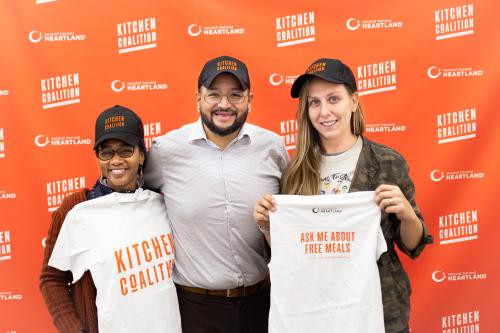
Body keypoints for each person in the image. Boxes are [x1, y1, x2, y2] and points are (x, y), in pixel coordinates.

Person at [253, 58, 433, 333]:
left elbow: (413, 244)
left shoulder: (387, 162)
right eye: (314, 102)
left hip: (380, 311)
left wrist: (407, 213)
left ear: (353, 101)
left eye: (333, 98)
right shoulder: (295, 171)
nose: (324, 111)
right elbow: (289, 251)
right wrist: (268, 226)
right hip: (317, 312)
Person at [144, 55, 289, 332]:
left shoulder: (273, 147)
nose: (224, 104)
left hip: (264, 304)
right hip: (195, 308)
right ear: (198, 99)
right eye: (214, 95)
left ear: (250, 99)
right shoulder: (165, 150)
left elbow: (295, 216)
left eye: (235, 95)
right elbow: (135, 202)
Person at [39, 105, 181, 333]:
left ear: (142, 155)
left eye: (126, 150)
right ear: (98, 158)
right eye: (106, 152)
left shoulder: (163, 204)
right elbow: (52, 278)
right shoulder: (78, 209)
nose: (116, 160)